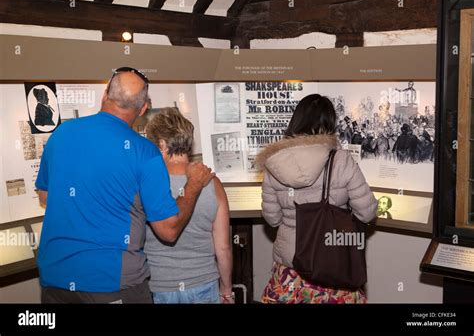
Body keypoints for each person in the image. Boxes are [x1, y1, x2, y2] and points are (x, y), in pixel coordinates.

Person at [35, 67, 214, 303]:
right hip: (111, 284)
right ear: (143, 109)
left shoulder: (61, 133)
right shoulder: (144, 153)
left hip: (55, 280)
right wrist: (193, 185)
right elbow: (168, 230)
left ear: (105, 93)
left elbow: (45, 196)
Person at [256, 94, 377, 304]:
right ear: (330, 124)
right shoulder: (341, 160)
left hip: (291, 271)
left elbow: (272, 219)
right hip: (332, 265)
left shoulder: (274, 164)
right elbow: (366, 213)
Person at [144, 107, 234, 304]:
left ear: (161, 145)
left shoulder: (147, 183)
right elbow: (223, 247)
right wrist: (226, 289)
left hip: (160, 286)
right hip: (204, 284)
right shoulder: (212, 183)